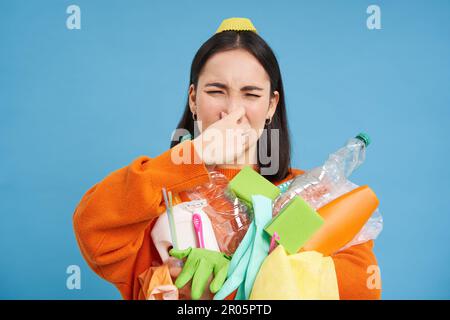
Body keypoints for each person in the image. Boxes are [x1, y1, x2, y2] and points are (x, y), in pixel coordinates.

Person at [73, 17, 381, 300]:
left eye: (251, 94)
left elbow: (362, 288)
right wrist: (193, 156)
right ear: (193, 99)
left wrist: (231, 279)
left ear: (272, 104)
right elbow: (93, 228)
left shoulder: (314, 196)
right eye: (216, 91)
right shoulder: (160, 198)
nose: (232, 111)